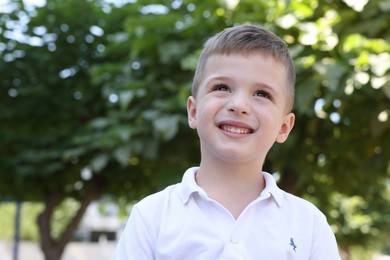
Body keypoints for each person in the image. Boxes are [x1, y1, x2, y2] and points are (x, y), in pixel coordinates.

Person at [111, 24, 341, 259]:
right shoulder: (151, 217)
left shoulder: (309, 225)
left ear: (283, 127)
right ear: (193, 111)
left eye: (262, 94)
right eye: (222, 87)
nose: (239, 105)